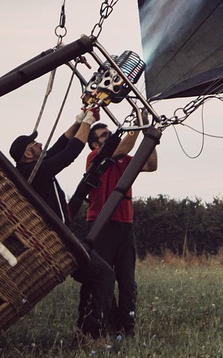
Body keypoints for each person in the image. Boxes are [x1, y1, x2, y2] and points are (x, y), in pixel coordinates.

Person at [9, 106, 115, 337]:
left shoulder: (30, 168)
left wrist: (79, 120)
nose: (40, 145)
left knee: (93, 276)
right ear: (28, 153)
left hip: (60, 236)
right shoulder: (33, 173)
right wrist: (87, 122)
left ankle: (87, 328)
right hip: (58, 239)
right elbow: (68, 154)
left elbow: (60, 144)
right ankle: (92, 334)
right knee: (104, 274)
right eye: (34, 145)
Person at [78, 120, 157, 337]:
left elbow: (151, 164)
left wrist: (150, 138)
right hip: (101, 225)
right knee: (102, 278)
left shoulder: (124, 160)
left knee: (127, 280)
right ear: (95, 145)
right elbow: (124, 146)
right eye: (104, 135)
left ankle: (125, 327)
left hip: (125, 224)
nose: (111, 136)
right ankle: (98, 325)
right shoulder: (95, 158)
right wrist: (139, 126)